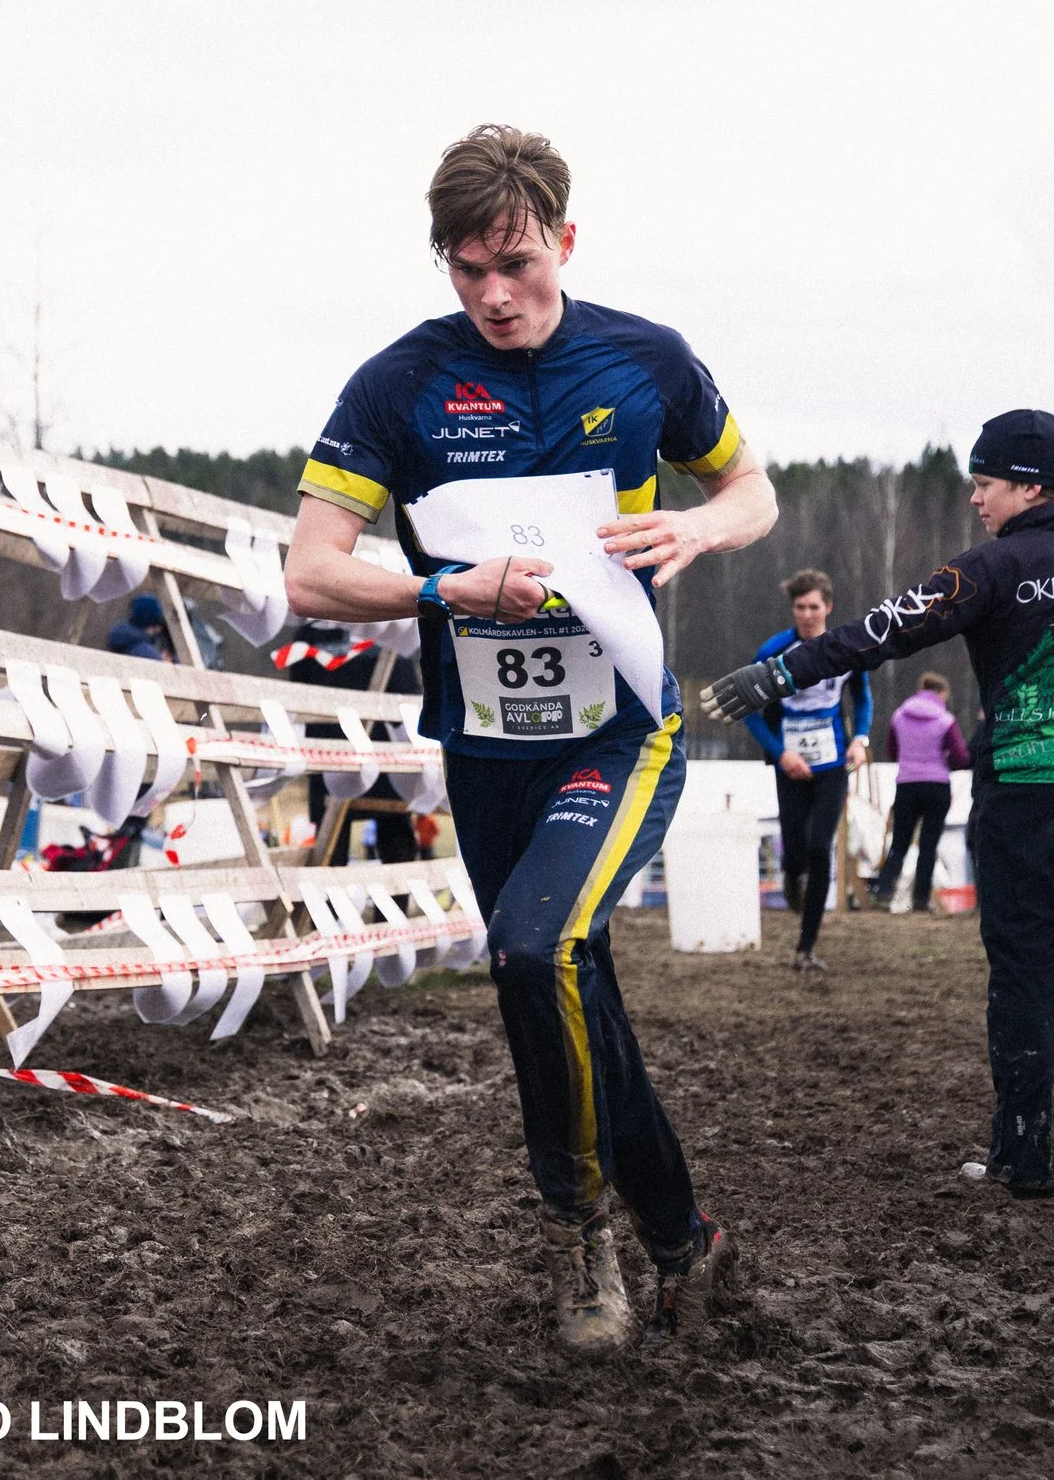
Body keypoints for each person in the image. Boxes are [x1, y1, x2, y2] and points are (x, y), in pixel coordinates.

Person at [282, 125, 773, 1353]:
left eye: (515, 262)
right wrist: (445, 593)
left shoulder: (645, 357)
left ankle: (576, 1230)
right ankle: (686, 1238)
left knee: (535, 946)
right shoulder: (398, 384)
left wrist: (697, 536)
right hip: (485, 740)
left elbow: (751, 490)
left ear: (563, 237)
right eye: (464, 269)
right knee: (559, 978)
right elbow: (311, 574)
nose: (493, 295)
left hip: (619, 727)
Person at [702, 410, 1054, 1198]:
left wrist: (782, 674)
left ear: (1027, 485)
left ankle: (1023, 1154)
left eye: (983, 484)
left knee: (1023, 974)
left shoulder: (990, 569)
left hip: (1027, 796)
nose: (974, 500)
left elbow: (882, 630)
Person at [741, 569, 872, 969]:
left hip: (832, 764)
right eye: (800, 607)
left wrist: (861, 739)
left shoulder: (847, 649)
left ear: (828, 607)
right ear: (793, 609)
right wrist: (780, 754)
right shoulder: (772, 652)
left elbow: (863, 699)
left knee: (820, 846)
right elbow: (749, 711)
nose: (808, 614)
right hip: (791, 765)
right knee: (796, 851)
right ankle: (789, 873)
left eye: (814, 606)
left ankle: (806, 947)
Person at [283, 621, 423, 864]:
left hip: (330, 756)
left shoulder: (308, 633)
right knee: (394, 835)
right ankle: (395, 899)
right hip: (381, 758)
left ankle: (329, 900)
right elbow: (407, 692)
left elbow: (298, 689)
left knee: (330, 844)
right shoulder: (390, 629)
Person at [872, 672, 969, 913]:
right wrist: (946, 762)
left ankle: (884, 891)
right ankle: (920, 899)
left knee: (900, 842)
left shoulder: (899, 716)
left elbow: (892, 752)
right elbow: (960, 758)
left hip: (906, 785)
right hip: (937, 787)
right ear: (940, 694)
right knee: (928, 845)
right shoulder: (945, 720)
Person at [105, 594, 173, 661]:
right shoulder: (142, 649)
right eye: (157, 624)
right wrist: (164, 662)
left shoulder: (125, 636)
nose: (159, 629)